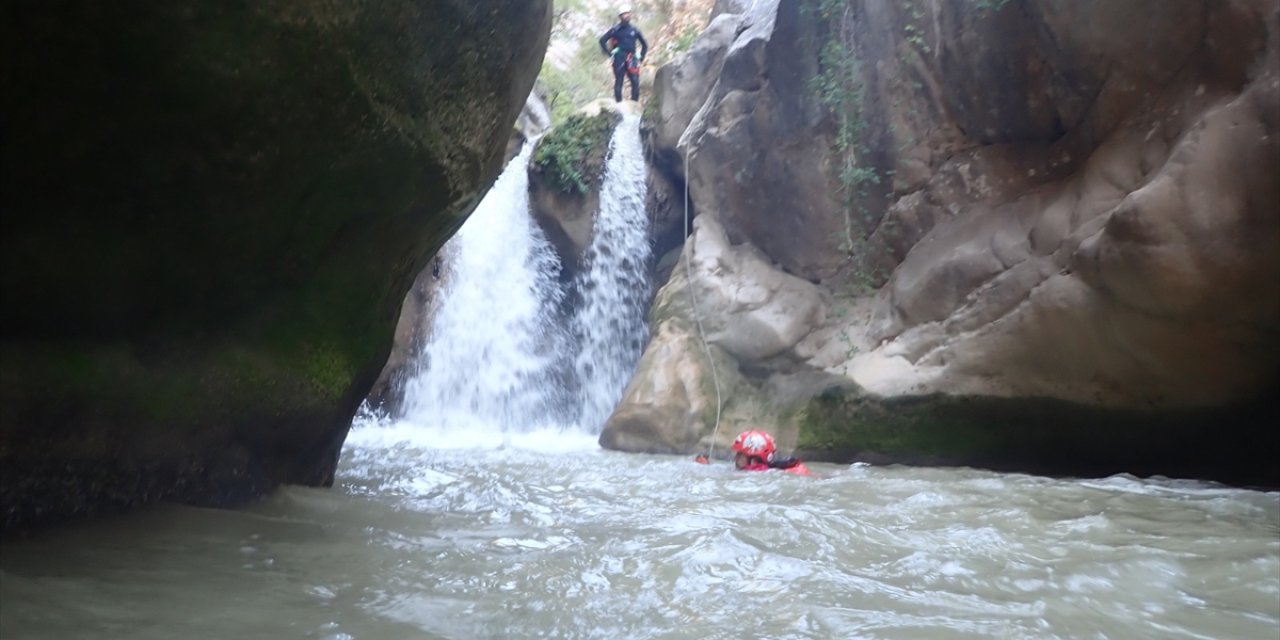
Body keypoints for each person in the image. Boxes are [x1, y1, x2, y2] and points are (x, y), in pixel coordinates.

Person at [598, 6, 649, 102]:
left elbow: (645, 45)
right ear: (620, 16)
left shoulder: (634, 30)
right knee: (619, 81)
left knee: (635, 82)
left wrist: (641, 58)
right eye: (624, 14)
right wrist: (610, 54)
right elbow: (602, 41)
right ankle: (619, 106)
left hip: (632, 58)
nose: (627, 15)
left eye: (628, 13)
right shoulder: (615, 30)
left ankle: (634, 106)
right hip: (619, 57)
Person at [731, 430, 810, 475]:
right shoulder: (767, 471)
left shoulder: (758, 473)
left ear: (754, 460)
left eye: (740, 456)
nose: (735, 459)